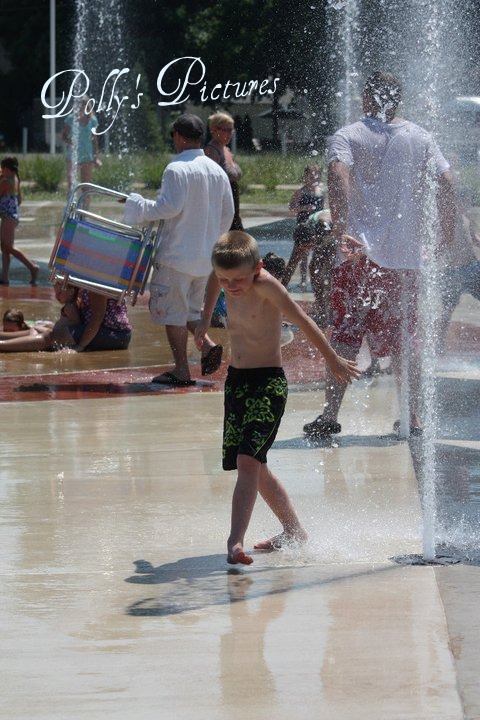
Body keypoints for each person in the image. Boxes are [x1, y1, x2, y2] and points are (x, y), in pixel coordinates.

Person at [303, 71, 455, 439]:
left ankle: (329, 415)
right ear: (398, 99)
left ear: (367, 99)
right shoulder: (421, 137)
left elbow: (338, 175)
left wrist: (341, 230)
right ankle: (413, 417)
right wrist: (446, 235)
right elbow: (448, 182)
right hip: (405, 259)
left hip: (358, 256)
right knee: (408, 339)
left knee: (344, 334)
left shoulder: (349, 135)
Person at [195, 230, 360, 565]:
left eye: (238, 279)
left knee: (247, 462)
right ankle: (293, 531)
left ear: (256, 268)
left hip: (267, 384)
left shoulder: (268, 286)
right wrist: (203, 325)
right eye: (225, 279)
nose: (231, 286)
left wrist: (332, 359)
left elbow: (305, 320)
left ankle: (234, 542)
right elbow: (214, 281)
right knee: (258, 468)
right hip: (237, 383)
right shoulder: (223, 276)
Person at [123, 113, 234, 385]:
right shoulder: (216, 169)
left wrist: (137, 205)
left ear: (179, 137)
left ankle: (181, 369)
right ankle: (206, 346)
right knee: (190, 312)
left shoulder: (176, 168)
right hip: (204, 258)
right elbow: (227, 214)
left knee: (173, 312)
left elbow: (167, 208)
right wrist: (210, 239)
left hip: (176, 255)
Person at [0, 282, 130, 352]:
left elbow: (97, 318)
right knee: (43, 329)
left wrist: (80, 346)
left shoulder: (95, 286)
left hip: (114, 334)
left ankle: (3, 345)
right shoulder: (83, 285)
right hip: (106, 331)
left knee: (50, 337)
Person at [438, 186, 480, 351]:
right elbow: (439, 242)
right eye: (465, 201)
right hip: (451, 271)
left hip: (472, 267)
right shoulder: (446, 218)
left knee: (448, 308)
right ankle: (439, 343)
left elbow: (475, 240)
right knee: (447, 309)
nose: (467, 205)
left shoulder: (467, 219)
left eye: (469, 201)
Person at [282, 164, 326, 292]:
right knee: (301, 255)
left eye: (316, 175)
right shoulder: (301, 192)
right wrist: (304, 208)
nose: (313, 178)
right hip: (303, 227)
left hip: (316, 227)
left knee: (318, 254)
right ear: (305, 177)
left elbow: (323, 209)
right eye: (310, 176)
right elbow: (292, 208)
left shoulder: (320, 192)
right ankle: (302, 280)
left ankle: (318, 279)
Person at [0, 156, 39, 285]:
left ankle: (32, 266)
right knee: (5, 248)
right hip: (12, 215)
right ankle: (4, 277)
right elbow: (20, 200)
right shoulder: (15, 179)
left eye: (2, 168)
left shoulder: (5, 182)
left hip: (8, 217)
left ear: (6, 169)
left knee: (7, 246)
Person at [205, 112, 243, 230]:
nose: (229, 134)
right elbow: (210, 181)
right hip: (221, 202)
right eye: (226, 130)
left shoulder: (226, 149)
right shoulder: (212, 151)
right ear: (214, 130)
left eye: (231, 130)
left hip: (232, 199)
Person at [62, 98, 101, 193]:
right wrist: (71, 142)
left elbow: (95, 140)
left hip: (87, 155)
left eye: (83, 103)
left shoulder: (92, 121)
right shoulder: (71, 119)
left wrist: (96, 158)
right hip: (72, 155)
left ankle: (85, 207)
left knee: (86, 185)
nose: (81, 106)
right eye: (79, 103)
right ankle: (71, 206)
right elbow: (64, 136)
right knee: (71, 184)